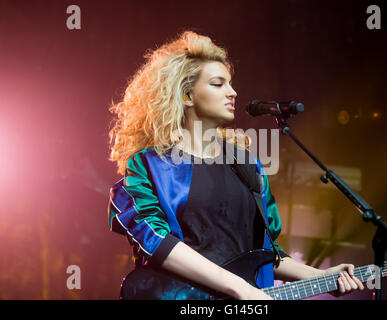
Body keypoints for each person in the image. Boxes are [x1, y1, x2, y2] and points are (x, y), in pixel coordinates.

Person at [107, 31, 364, 300]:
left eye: (230, 83)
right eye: (218, 84)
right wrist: (238, 287)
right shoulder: (152, 164)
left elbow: (263, 253)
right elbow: (155, 241)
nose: (233, 92)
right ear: (186, 96)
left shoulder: (246, 164)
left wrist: (320, 276)